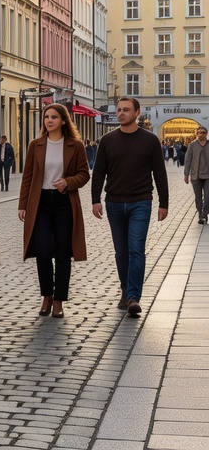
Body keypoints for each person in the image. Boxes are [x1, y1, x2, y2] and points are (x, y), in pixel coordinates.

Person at [91, 96, 169, 319]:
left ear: (137, 113)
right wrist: (95, 199)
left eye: (126, 110)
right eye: (119, 110)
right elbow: (99, 172)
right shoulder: (107, 141)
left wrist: (164, 203)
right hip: (114, 202)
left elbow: (160, 173)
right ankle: (126, 291)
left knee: (136, 249)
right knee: (121, 252)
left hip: (140, 202)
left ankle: (133, 297)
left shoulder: (150, 140)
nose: (121, 113)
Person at [18, 103, 90, 318]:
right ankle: (46, 296)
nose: (49, 120)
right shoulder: (36, 145)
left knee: (62, 253)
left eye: (54, 117)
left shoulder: (75, 145)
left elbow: (84, 174)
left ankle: (59, 300)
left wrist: (68, 182)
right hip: (40, 202)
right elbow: (28, 176)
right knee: (42, 251)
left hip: (63, 202)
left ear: (63, 121)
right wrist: (22, 204)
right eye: (46, 117)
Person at [183, 125, 209, 226]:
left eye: (203, 132)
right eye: (199, 132)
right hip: (195, 176)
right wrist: (186, 174)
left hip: (208, 176)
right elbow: (188, 160)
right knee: (198, 198)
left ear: (206, 134)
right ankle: (201, 214)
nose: (201, 134)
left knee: (207, 197)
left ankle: (204, 214)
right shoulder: (192, 145)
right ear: (196, 134)